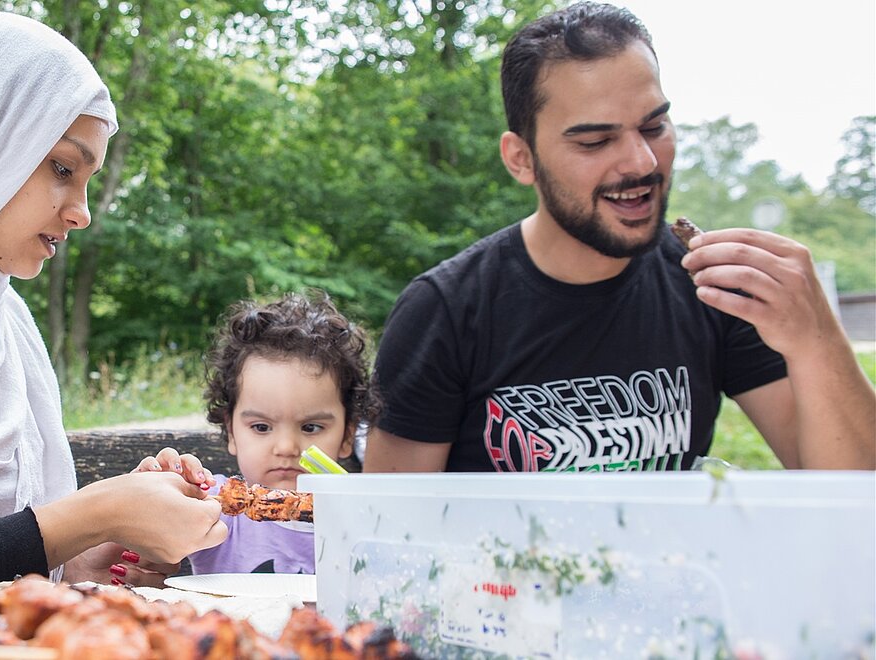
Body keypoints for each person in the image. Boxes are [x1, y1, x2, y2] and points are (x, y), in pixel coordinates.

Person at [363, 1, 876, 474]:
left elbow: (851, 497)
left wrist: (818, 341)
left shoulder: (713, 285)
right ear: (521, 158)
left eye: (654, 127)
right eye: (595, 140)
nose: (642, 162)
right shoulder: (447, 312)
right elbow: (389, 534)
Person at [0, 12, 226, 587]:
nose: (82, 211)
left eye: (87, 181)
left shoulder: (8, 324)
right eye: (61, 167)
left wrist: (87, 554)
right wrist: (93, 513)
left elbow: (6, 550)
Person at [115, 292, 378, 587]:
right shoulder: (210, 508)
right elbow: (141, 531)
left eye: (311, 427)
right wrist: (150, 493)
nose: (287, 448)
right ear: (231, 432)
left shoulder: (371, 525)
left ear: (348, 435)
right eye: (262, 427)